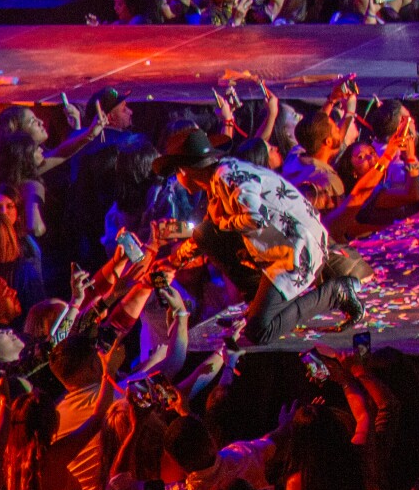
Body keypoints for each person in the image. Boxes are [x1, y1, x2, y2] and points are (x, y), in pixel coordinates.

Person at [153, 127, 362, 345]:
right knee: (205, 233)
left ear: (184, 171)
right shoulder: (218, 179)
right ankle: (258, 303)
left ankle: (336, 292)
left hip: (298, 250)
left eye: (176, 173)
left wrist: (224, 223)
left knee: (260, 331)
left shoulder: (228, 177)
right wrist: (172, 262)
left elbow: (255, 218)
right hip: (285, 246)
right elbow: (207, 231)